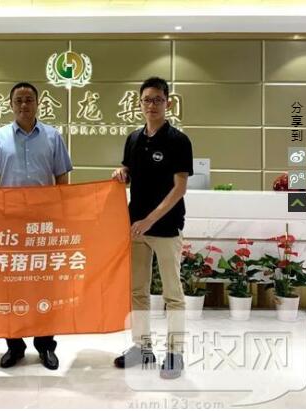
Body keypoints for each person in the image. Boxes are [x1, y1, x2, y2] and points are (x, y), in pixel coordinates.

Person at [0, 82, 73, 370]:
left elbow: (62, 178)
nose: (24, 105)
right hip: (9, 226)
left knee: (45, 286)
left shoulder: (53, 136)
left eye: (29, 99)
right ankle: (14, 346)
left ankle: (45, 345)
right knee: (11, 285)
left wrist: (60, 214)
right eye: (18, 100)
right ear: (10, 105)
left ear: (37, 103)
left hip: (43, 226)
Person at [112, 77, 193, 379]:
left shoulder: (178, 140)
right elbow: (130, 172)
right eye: (147, 99)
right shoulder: (133, 138)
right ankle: (142, 347)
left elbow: (179, 188)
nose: (152, 105)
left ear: (167, 103)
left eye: (158, 99)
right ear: (140, 103)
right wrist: (122, 172)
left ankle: (175, 353)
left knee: (173, 295)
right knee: (138, 292)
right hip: (136, 228)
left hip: (167, 228)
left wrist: (151, 219)